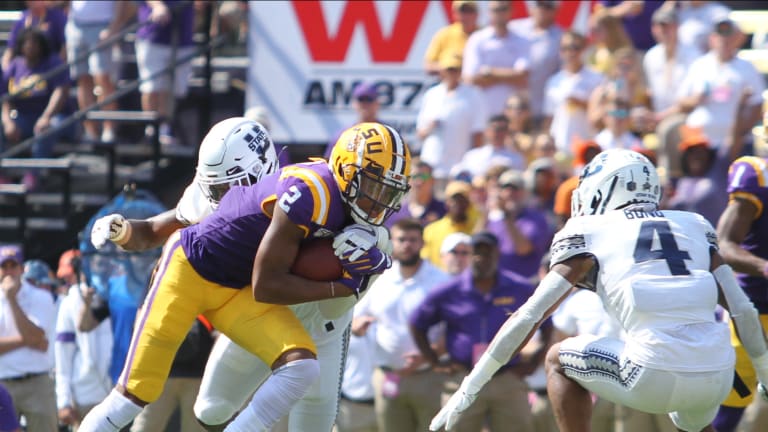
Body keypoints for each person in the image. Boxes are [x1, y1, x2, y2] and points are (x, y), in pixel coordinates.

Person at [82, 121, 411, 432]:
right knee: (132, 397)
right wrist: (123, 231)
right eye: (371, 187)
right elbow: (266, 284)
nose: (224, 194)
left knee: (302, 367)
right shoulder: (308, 194)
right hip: (193, 272)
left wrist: (373, 259)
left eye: (386, 191)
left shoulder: (341, 205)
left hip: (240, 291)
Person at [429, 148, 768, 432]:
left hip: (652, 373)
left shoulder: (591, 230)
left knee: (556, 359)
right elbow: (743, 310)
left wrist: (468, 390)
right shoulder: (694, 225)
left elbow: (529, 315)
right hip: (717, 377)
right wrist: (765, 376)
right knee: (692, 419)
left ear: (605, 187)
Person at [411, 231, 545, 432]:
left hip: (506, 378)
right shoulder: (450, 290)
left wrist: (534, 362)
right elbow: (417, 323)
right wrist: (434, 361)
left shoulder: (519, 287)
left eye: (487, 252)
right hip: (463, 377)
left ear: (497, 254)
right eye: (476, 252)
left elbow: (547, 323)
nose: (481, 258)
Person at [352, 218, 449, 432]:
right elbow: (356, 317)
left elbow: (454, 329)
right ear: (391, 242)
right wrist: (358, 326)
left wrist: (428, 354)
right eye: (401, 239)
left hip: (429, 376)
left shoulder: (441, 281)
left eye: (413, 240)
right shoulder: (378, 277)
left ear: (422, 243)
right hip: (388, 377)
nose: (407, 245)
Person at [712, 155, 768, 431]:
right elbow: (724, 244)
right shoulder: (758, 174)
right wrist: (764, 266)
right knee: (729, 403)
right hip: (753, 313)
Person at [0, 244, 57, 432]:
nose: (8, 272)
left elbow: (36, 336)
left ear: (22, 269)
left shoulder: (41, 297)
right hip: (3, 384)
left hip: (37, 383)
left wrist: (11, 300)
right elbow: (34, 337)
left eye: (13, 266)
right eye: (4, 267)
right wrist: (28, 340)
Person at [55, 261, 113, 430]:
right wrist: (64, 401)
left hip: (119, 394)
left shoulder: (120, 294)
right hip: (84, 397)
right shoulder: (69, 302)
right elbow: (62, 355)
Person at [423, 0, 478, 76]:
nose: (466, 15)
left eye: (469, 11)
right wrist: (450, 68)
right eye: (462, 11)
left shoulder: (484, 35)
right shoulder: (444, 34)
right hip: (449, 84)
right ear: (455, 14)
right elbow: (429, 66)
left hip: (477, 84)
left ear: (477, 14)